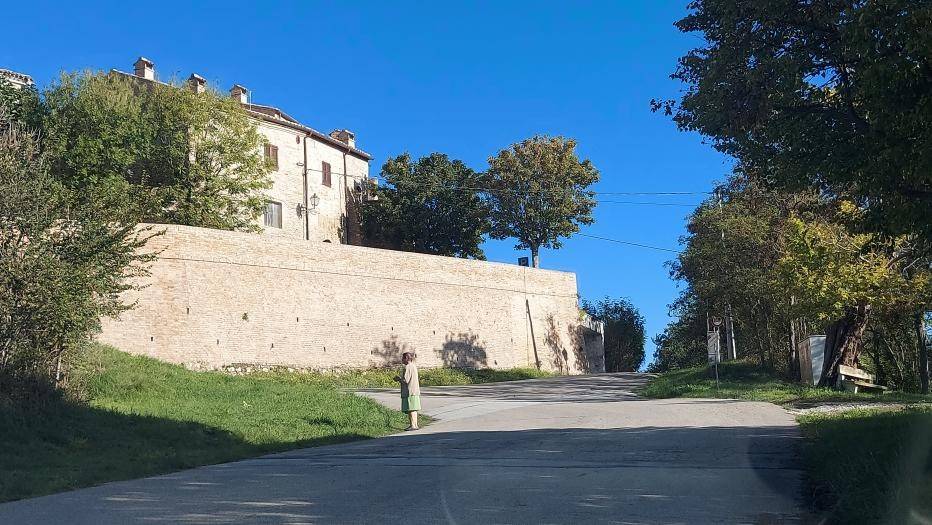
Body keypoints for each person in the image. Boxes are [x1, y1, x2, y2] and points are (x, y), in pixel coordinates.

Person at [394, 352, 420, 431]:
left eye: (403, 358)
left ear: (406, 358)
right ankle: (415, 424)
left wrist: (398, 379)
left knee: (410, 409)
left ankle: (412, 425)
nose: (402, 360)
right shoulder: (414, 366)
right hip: (415, 390)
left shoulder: (407, 367)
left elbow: (405, 380)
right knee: (414, 409)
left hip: (409, 391)